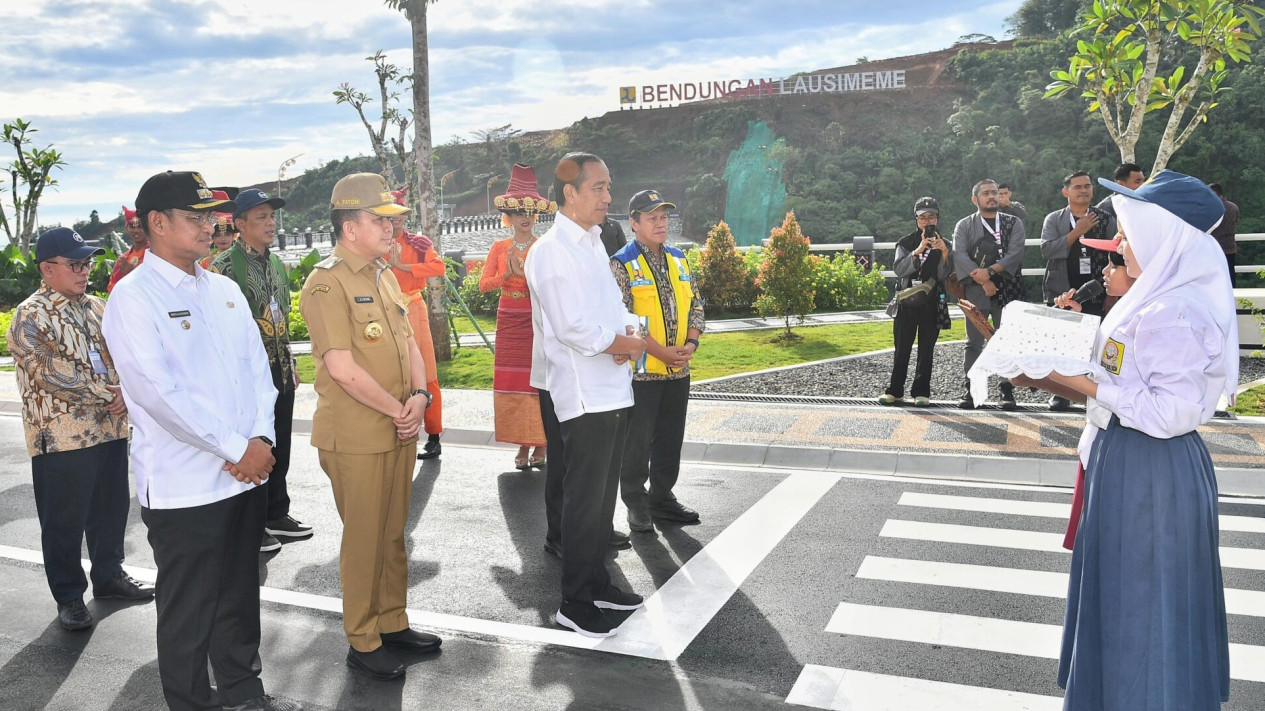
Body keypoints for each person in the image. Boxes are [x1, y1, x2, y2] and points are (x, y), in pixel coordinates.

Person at [102, 171, 299, 711]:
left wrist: (259, 436)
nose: (210, 226)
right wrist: (239, 448)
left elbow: (259, 372)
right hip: (186, 485)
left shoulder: (224, 289)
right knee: (189, 612)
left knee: (239, 599)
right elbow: (159, 396)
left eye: (212, 216)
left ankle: (243, 691)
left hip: (242, 477)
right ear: (157, 224)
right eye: (197, 217)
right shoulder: (133, 298)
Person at [1042, 171, 1235, 710]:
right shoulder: (1153, 299)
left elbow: (1169, 411)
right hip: (1127, 458)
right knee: (1131, 601)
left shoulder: (1176, 311)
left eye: (1127, 233)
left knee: (1145, 606)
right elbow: (1126, 375)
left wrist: (1077, 381)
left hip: (1150, 467)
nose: (1118, 245)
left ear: (1162, 238)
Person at [300, 173, 441, 681]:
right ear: (349, 225)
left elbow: (407, 345)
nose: (391, 229)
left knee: (392, 534)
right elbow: (341, 367)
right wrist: (397, 408)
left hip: (396, 426)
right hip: (357, 434)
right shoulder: (326, 282)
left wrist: (420, 398)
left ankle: (392, 621)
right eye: (381, 220)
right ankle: (363, 638)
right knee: (364, 538)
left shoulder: (384, 275)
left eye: (392, 220)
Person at [525, 152, 648, 638]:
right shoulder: (552, 250)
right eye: (597, 187)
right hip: (582, 393)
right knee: (583, 499)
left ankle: (598, 583)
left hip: (612, 386)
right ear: (569, 194)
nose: (607, 197)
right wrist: (623, 344)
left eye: (608, 186)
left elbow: (612, 305)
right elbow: (571, 326)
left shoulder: (594, 241)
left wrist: (629, 334)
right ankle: (574, 601)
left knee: (601, 500)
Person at [9, 227, 155, 632]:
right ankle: (69, 596)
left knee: (111, 510)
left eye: (87, 263)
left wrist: (127, 389)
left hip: (109, 427)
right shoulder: (29, 315)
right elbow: (47, 371)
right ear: (47, 268)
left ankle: (108, 577)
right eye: (75, 264)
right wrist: (107, 392)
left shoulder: (97, 307)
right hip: (62, 436)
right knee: (64, 520)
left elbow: (125, 353)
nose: (85, 270)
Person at [208, 188, 312, 552]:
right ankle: (252, 523)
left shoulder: (277, 264)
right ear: (239, 225)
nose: (270, 224)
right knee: (256, 442)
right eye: (261, 218)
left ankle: (275, 512)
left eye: (272, 217)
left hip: (279, 368)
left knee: (280, 439)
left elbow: (280, 317)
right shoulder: (222, 268)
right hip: (247, 373)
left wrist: (291, 363)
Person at [611, 189, 705, 533]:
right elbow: (623, 319)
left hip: (679, 369)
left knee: (670, 438)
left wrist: (691, 343)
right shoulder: (621, 263)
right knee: (636, 444)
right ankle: (635, 502)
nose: (661, 223)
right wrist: (662, 352)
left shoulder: (679, 257)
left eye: (664, 217)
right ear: (634, 223)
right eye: (652, 217)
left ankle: (662, 499)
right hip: (642, 374)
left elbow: (696, 304)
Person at [480, 163, 555, 469]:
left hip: (535, 322)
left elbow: (552, 290)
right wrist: (506, 275)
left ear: (536, 215)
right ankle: (521, 444)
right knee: (513, 381)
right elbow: (485, 285)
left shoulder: (543, 248)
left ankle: (540, 443)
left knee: (536, 381)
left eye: (530, 212)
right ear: (508, 217)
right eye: (519, 212)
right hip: (508, 322)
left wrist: (528, 278)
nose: (525, 217)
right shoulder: (499, 248)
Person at [1039, 171, 1116, 411]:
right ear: (1066, 192)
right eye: (1077, 187)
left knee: (1094, 344)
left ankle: (1093, 392)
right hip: (1063, 291)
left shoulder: (1105, 218)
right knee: (1061, 342)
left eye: (1087, 186)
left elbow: (1116, 253)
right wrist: (1077, 231)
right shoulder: (1054, 219)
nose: (1083, 190)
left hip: (1097, 290)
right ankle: (1061, 393)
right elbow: (1047, 251)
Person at [952, 179, 1026, 409]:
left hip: (1008, 288)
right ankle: (971, 389)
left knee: (1006, 341)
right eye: (986, 193)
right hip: (976, 291)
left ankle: (1006, 389)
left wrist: (989, 273)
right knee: (973, 342)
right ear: (975, 199)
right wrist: (983, 281)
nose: (991, 196)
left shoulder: (1013, 223)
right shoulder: (964, 225)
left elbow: (1015, 253)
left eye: (994, 192)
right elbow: (960, 255)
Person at [387, 186, 446, 460]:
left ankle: (433, 435)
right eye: (389, 216)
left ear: (405, 217)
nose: (394, 221)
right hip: (384, 311)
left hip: (412, 307)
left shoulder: (418, 243)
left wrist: (403, 267)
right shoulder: (375, 243)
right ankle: (395, 430)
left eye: (399, 216)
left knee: (425, 369)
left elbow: (438, 267)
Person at [880, 197, 952, 407]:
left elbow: (943, 275)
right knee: (901, 347)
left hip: (932, 301)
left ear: (937, 219)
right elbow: (899, 270)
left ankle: (921, 392)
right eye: (923, 217)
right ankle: (894, 390)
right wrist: (918, 251)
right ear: (916, 219)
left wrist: (945, 253)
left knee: (926, 349)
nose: (927, 221)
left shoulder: (945, 243)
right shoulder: (905, 243)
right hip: (906, 301)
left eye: (932, 216)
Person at [107, 205, 147, 292]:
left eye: (140, 226)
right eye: (132, 226)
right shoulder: (123, 259)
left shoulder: (156, 253)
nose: (136, 230)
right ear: (126, 228)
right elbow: (112, 288)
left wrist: (131, 275)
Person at [1208, 183, 1240, 287]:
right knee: (1230, 277)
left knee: (1213, 280)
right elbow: (1235, 222)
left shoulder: (1210, 208)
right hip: (1230, 247)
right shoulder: (1233, 207)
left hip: (1213, 248)